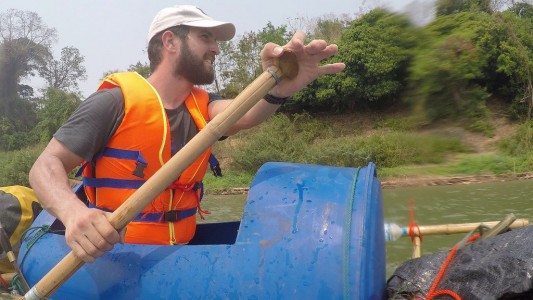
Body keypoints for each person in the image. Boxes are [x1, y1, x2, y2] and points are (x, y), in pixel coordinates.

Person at [29, 5, 346, 263]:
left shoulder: (203, 108)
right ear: (170, 42)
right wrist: (73, 213)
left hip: (178, 257)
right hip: (116, 259)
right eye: (206, 37)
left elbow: (247, 113)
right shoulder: (114, 102)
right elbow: (45, 166)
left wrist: (279, 85)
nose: (216, 49)